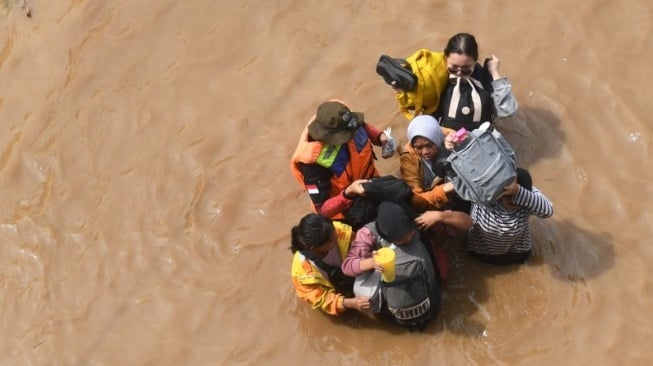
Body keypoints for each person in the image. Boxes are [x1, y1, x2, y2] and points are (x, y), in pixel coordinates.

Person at [417, 168, 553, 265]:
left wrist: (519, 191)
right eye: (508, 197)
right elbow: (468, 176)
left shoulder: (528, 196)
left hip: (517, 252)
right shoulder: (486, 195)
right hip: (481, 252)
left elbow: (548, 211)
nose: (512, 202)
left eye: (517, 200)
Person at [290, 100, 391, 228]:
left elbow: (362, 126)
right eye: (346, 134)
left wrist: (379, 137)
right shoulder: (312, 166)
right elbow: (322, 210)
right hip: (347, 209)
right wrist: (348, 193)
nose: (351, 134)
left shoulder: (345, 119)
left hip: (371, 182)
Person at [341, 202, 441, 330]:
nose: (409, 239)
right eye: (401, 240)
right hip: (393, 297)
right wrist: (371, 262)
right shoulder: (367, 234)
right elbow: (347, 267)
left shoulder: (417, 219)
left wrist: (440, 216)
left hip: (426, 293)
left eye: (410, 233)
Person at [290, 213, 370, 316]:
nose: (336, 238)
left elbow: (359, 246)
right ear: (314, 248)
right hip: (335, 291)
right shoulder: (302, 273)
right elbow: (321, 300)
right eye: (331, 241)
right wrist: (351, 303)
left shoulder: (340, 230)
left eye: (334, 233)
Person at [435, 32, 518, 131]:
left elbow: (506, 111)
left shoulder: (482, 77)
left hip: (479, 138)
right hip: (446, 135)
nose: (459, 73)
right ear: (445, 58)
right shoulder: (437, 75)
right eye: (453, 67)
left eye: (466, 69)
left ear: (475, 61)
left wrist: (495, 73)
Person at [399, 114, 457, 213]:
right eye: (419, 147)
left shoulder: (451, 138)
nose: (425, 152)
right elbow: (416, 200)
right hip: (434, 201)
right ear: (413, 146)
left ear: (437, 138)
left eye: (429, 145)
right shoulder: (408, 160)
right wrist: (445, 189)